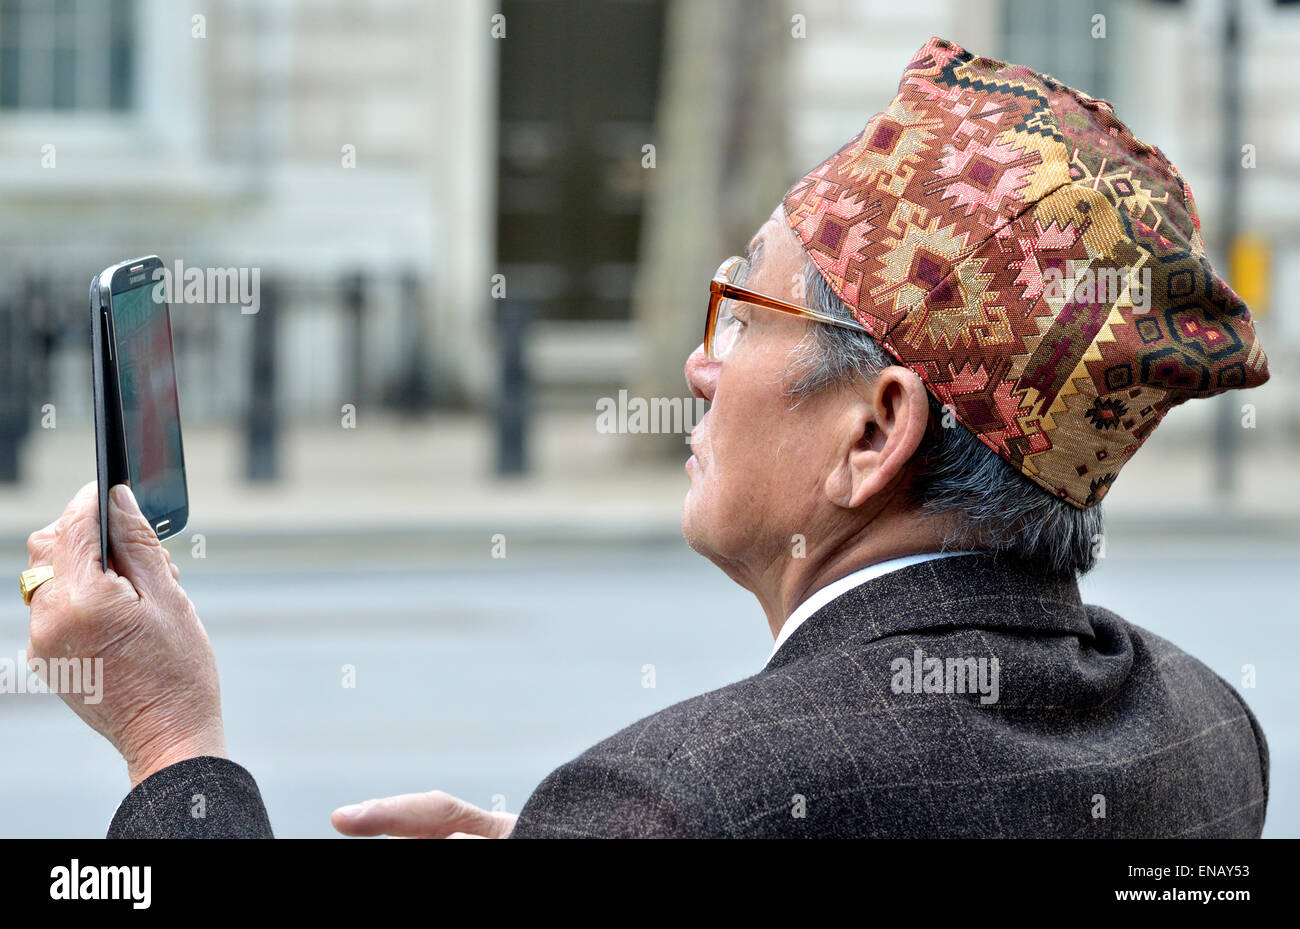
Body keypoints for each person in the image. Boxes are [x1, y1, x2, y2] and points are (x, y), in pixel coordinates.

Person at [21, 37, 1270, 838]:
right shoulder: (1206, 731)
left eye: (747, 306)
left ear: (875, 428)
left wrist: (168, 740)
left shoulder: (679, 799)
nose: (698, 360)